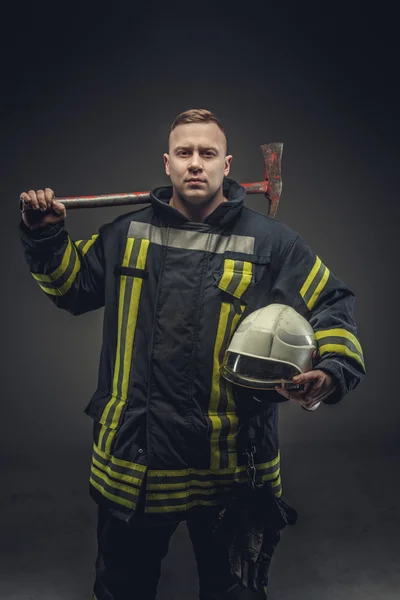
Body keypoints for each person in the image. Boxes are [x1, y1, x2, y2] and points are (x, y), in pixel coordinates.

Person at [19, 109, 366, 599]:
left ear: (227, 164)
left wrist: (330, 372)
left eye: (207, 153)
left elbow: (333, 304)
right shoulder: (126, 234)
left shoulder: (273, 245)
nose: (195, 163)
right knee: (122, 591)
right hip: (134, 464)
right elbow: (70, 288)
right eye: (185, 153)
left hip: (231, 470)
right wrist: (45, 234)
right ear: (167, 164)